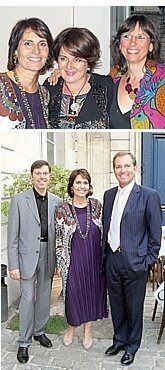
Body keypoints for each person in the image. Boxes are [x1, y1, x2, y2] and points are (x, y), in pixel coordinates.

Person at [102, 151, 162, 366]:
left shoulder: (149, 195)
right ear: (114, 169)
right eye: (118, 167)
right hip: (112, 259)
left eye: (127, 166)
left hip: (135, 262)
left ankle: (132, 345)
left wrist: (147, 261)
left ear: (135, 168)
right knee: (116, 304)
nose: (122, 170)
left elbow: (155, 235)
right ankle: (119, 339)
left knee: (134, 307)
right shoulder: (109, 195)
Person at [7, 160, 62, 363]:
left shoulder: (57, 201)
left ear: (49, 176)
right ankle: (23, 342)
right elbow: (12, 235)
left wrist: (58, 260)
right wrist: (13, 264)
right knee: (28, 299)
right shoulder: (19, 200)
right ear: (32, 176)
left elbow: (59, 235)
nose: (42, 177)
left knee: (45, 297)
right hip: (26, 257)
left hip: (48, 254)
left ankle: (39, 331)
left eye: (45, 173)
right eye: (38, 173)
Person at [55, 168, 108, 349]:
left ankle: (88, 331)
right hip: (73, 261)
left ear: (89, 186)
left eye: (85, 182)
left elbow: (105, 234)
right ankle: (71, 328)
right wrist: (61, 264)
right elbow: (59, 239)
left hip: (94, 261)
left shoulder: (97, 206)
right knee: (73, 296)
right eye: (78, 182)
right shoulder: (62, 209)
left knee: (93, 295)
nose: (82, 186)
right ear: (71, 186)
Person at [44, 27, 113, 129]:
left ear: (88, 62)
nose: (69, 66)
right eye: (63, 59)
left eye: (77, 60)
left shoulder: (106, 87)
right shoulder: (50, 88)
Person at [109, 14, 165, 129]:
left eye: (141, 37)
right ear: (119, 44)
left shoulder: (162, 80)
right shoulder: (111, 80)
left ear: (151, 46)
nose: (132, 43)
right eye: (127, 36)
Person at [0, 17, 54, 129]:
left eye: (42, 44)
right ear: (15, 50)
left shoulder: (45, 94)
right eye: (28, 43)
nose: (36, 51)